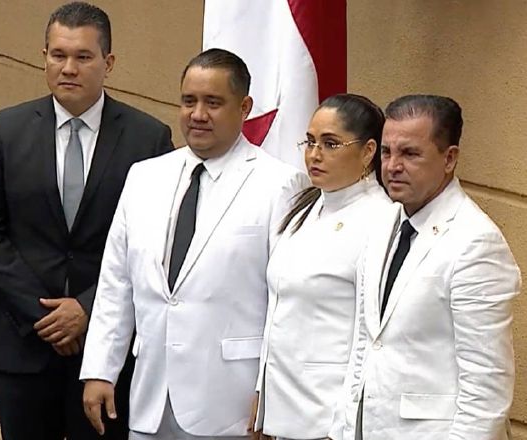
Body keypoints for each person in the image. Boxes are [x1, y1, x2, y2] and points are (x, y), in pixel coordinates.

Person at [0, 2, 173, 439]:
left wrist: (87, 310)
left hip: (108, 351)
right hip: (21, 345)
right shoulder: (5, 130)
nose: (68, 68)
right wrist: (44, 314)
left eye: (83, 57)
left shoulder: (148, 139)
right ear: (44, 57)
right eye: (58, 55)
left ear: (108, 63)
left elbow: (159, 242)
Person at [80, 48, 309, 440]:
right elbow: (116, 282)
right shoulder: (145, 177)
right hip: (151, 396)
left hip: (230, 404)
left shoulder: (280, 184)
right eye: (189, 100)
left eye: (213, 103)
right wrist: (101, 369)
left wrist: (269, 393)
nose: (197, 114)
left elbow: (286, 301)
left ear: (245, 106)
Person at [330, 95, 521, 440]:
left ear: (449, 159)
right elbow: (366, 343)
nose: (392, 166)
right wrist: (343, 429)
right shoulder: (385, 221)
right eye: (387, 152)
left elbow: (486, 384)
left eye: (410, 153)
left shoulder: (475, 242)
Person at [250, 94, 390, 440]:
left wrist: (343, 427)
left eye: (330, 144)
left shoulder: (381, 221)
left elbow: (369, 338)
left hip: (329, 419)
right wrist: (262, 399)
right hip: (283, 412)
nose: (314, 155)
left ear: (368, 151)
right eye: (310, 142)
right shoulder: (306, 207)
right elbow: (278, 313)